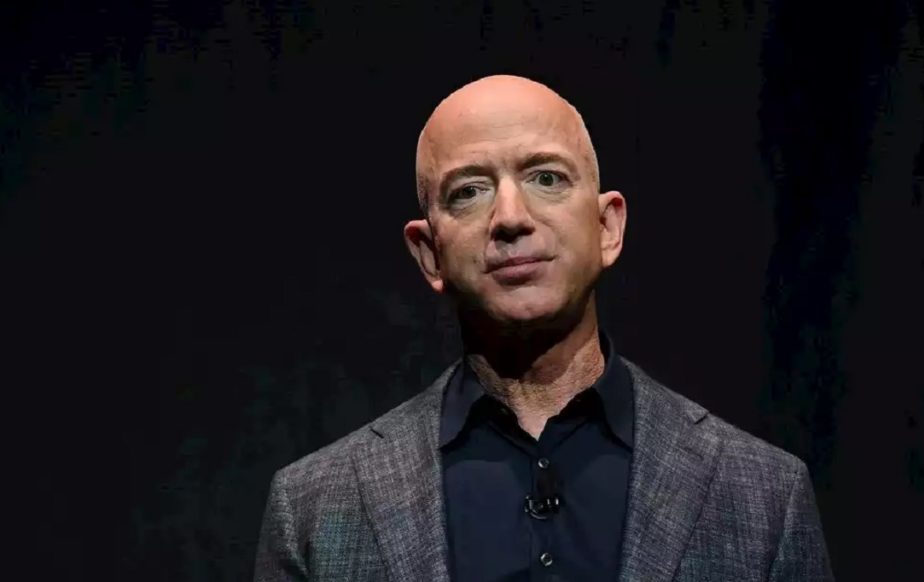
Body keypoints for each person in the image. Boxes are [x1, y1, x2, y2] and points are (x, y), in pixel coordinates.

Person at [254, 74, 833, 581]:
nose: (511, 217)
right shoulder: (314, 508)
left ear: (607, 227)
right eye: (469, 191)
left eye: (547, 178)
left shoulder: (762, 495)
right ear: (429, 253)